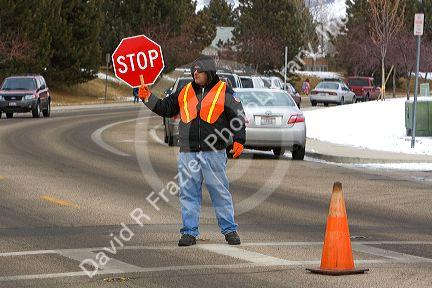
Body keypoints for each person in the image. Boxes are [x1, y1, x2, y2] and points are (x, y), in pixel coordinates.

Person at [138, 55, 246, 246]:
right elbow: (166, 108)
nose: (195, 73)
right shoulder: (184, 90)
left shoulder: (224, 90)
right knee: (188, 193)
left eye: (200, 70)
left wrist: (239, 139)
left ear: (209, 72)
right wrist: (148, 97)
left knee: (219, 191)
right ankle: (189, 232)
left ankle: (229, 230)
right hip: (188, 152)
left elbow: (237, 116)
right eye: (194, 70)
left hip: (214, 152)